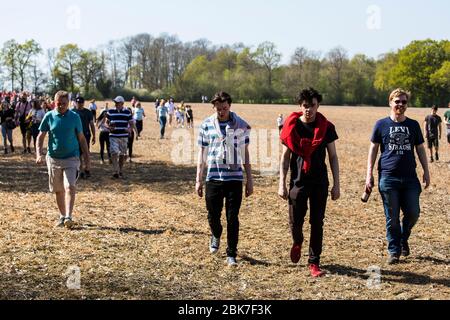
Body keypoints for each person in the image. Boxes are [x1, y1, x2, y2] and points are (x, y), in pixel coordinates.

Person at [278, 88, 340, 278]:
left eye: (312, 106)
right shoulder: (291, 127)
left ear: (317, 105)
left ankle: (314, 261)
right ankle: (298, 241)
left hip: (319, 182)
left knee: (317, 222)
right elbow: (285, 159)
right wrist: (281, 183)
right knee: (295, 221)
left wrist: (336, 184)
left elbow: (333, 156)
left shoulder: (326, 127)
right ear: (300, 106)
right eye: (305, 106)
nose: (309, 110)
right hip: (297, 182)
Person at [365, 88, 430, 265]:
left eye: (403, 102)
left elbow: (421, 149)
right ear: (390, 103)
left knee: (413, 213)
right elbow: (373, 149)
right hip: (388, 178)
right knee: (391, 217)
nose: (400, 104)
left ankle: (403, 238)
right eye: (397, 101)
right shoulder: (381, 125)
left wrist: (426, 170)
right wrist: (369, 174)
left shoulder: (413, 125)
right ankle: (394, 250)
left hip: (410, 178)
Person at [196, 91, 254, 267]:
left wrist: (249, 179)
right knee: (213, 214)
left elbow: (245, 153)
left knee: (232, 217)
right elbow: (202, 154)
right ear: (214, 107)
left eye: (225, 108)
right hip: (213, 177)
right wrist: (198, 179)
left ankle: (231, 253)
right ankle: (216, 234)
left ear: (230, 106)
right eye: (219, 108)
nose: (222, 112)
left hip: (234, 178)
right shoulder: (206, 125)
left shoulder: (241, 125)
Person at [36, 91, 91, 229]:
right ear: (54, 102)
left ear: (69, 103)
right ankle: (62, 216)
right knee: (58, 189)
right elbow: (40, 137)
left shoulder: (74, 117)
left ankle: (68, 216)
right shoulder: (49, 116)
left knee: (69, 186)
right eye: (58, 103)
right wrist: (38, 154)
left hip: (71, 157)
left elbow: (82, 139)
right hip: (54, 158)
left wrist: (87, 158)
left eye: (64, 104)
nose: (61, 106)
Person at [106, 96, 136, 179]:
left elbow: (131, 123)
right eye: (115, 102)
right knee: (114, 152)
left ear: (122, 103)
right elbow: (106, 122)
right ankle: (116, 171)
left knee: (122, 154)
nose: (115, 104)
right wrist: (109, 127)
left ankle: (120, 170)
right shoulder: (110, 111)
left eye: (117, 102)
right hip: (113, 135)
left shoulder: (127, 112)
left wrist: (129, 129)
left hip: (123, 136)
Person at [73, 97, 96, 179]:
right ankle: (80, 170)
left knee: (86, 152)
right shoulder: (72, 112)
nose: (79, 104)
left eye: (81, 102)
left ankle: (87, 169)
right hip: (75, 135)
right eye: (78, 102)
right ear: (75, 102)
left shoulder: (88, 112)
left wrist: (94, 135)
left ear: (84, 103)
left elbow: (92, 125)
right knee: (78, 153)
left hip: (85, 134)